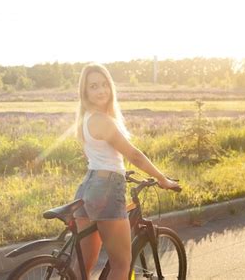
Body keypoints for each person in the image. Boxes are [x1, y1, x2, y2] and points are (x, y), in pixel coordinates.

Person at [72, 63, 180, 280]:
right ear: (85, 91)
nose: (101, 90)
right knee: (121, 265)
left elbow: (97, 156)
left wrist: (119, 169)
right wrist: (162, 179)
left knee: (82, 266)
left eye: (104, 84)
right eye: (94, 86)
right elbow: (135, 155)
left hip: (87, 188)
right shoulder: (103, 120)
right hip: (108, 189)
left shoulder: (85, 120)